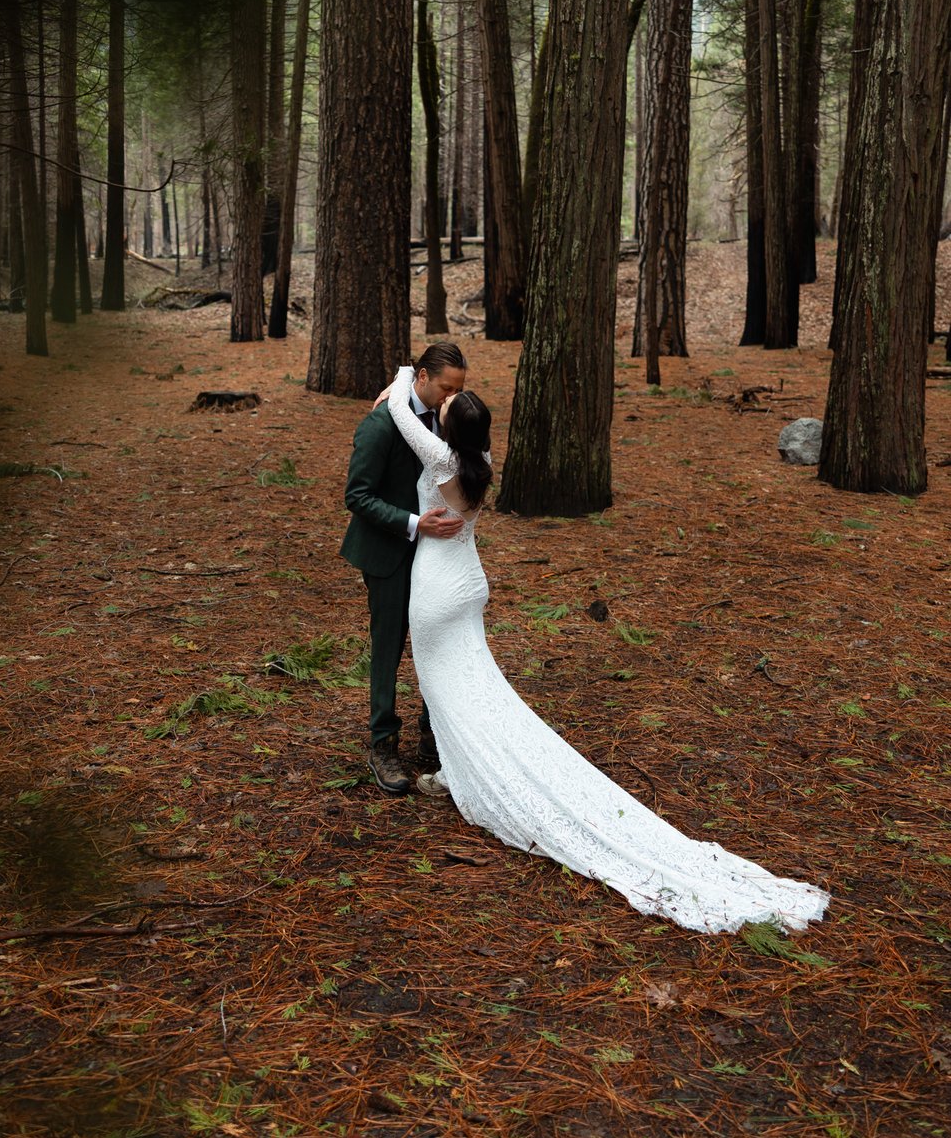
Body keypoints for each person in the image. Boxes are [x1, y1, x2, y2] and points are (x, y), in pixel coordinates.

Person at [382, 363, 830, 934]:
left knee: (445, 688)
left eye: (446, 408)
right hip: (470, 582)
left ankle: (465, 773)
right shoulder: (480, 461)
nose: (440, 407)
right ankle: (460, 766)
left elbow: (401, 410)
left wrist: (401, 374)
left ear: (449, 428)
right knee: (477, 685)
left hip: (440, 590)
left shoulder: (441, 458)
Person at [341, 343, 467, 795]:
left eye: (458, 389)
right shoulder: (380, 423)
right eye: (445, 388)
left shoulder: (450, 420)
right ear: (420, 378)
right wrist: (414, 524)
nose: (451, 397)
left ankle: (433, 738)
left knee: (435, 646)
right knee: (389, 648)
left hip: (436, 562)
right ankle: (383, 743)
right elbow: (357, 496)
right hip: (389, 552)